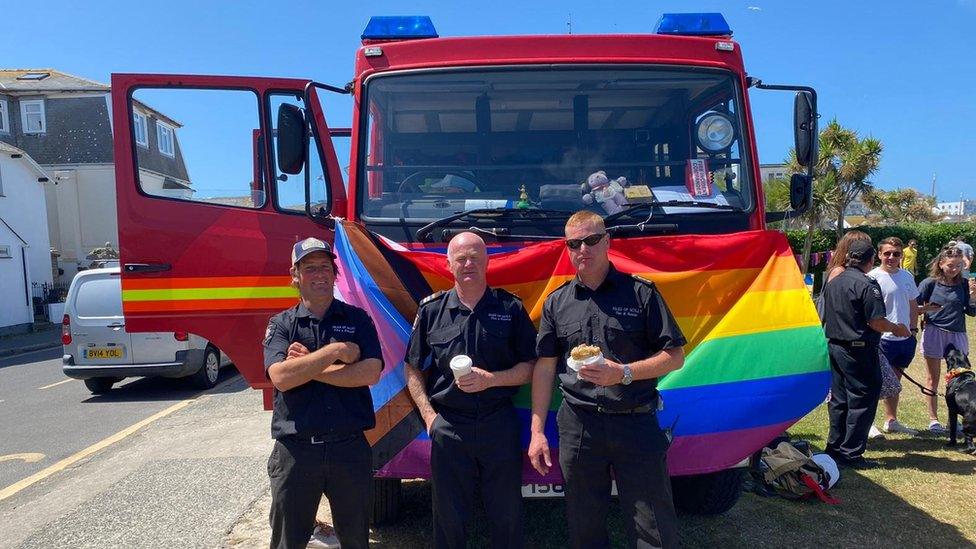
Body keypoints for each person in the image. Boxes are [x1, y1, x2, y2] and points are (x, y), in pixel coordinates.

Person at [528, 210, 686, 549]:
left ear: (608, 242)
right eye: (574, 243)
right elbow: (544, 366)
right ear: (567, 248)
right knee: (584, 527)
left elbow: (675, 356)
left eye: (591, 240)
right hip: (579, 426)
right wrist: (537, 430)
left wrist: (624, 373)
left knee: (653, 528)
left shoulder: (641, 293)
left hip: (635, 420)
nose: (583, 249)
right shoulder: (557, 302)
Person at [404, 231, 537, 549]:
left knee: (506, 513)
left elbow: (532, 368)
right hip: (448, 426)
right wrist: (429, 417)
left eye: (475, 257)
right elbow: (411, 368)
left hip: (498, 423)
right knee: (449, 518)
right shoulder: (432, 310)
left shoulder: (510, 307)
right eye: (461, 258)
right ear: (448, 264)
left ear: (488, 261)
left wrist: (492, 380)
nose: (468, 264)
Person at [263, 237, 383, 549]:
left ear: (334, 273)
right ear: (295, 275)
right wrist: (336, 351)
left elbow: (370, 372)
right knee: (287, 542)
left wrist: (307, 365)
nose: (319, 274)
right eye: (310, 268)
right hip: (296, 452)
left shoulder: (357, 319)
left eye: (325, 267)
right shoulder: (281, 325)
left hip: (349, 449)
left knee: (356, 540)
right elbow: (280, 377)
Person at [823, 239, 911, 469]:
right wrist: (897, 328)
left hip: (836, 346)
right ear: (871, 259)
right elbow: (876, 322)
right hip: (859, 349)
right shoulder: (867, 284)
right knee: (862, 400)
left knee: (840, 400)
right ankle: (851, 453)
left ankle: (835, 447)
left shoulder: (835, 279)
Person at [867, 237, 931, 437]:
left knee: (895, 382)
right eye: (887, 253)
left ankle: (891, 420)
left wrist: (913, 331)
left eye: (896, 254)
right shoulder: (871, 277)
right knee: (874, 382)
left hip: (905, 340)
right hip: (881, 339)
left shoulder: (907, 276)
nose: (891, 257)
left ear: (901, 255)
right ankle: (868, 424)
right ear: (879, 255)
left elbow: (912, 304)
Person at [916, 245, 976, 434]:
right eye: (951, 265)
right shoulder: (929, 283)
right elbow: (913, 307)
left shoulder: (964, 284)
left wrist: (974, 296)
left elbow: (971, 311)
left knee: (962, 380)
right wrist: (925, 310)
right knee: (932, 378)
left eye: (959, 266)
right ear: (941, 264)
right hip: (935, 332)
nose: (955, 269)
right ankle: (933, 420)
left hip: (957, 333)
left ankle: (955, 421)